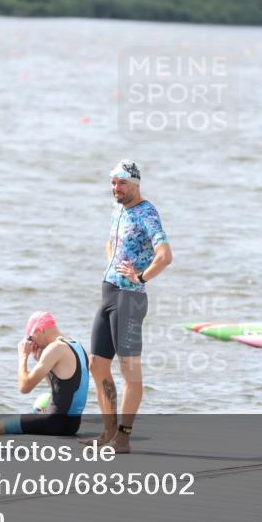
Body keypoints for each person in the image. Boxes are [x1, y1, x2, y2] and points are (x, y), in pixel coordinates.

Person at [85, 160, 171, 453]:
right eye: (113, 183)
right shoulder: (119, 210)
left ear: (135, 184)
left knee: (129, 370)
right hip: (108, 292)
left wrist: (141, 275)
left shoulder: (147, 213)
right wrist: (114, 263)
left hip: (130, 297)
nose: (116, 188)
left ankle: (123, 435)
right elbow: (111, 243)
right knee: (97, 365)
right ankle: (108, 429)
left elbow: (165, 255)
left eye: (122, 183)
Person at [0, 311, 89, 439]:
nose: (32, 342)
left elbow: (24, 387)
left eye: (31, 337)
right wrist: (39, 357)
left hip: (56, 423)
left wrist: (23, 357)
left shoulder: (55, 348)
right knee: (43, 399)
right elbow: (60, 388)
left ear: (41, 330)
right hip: (73, 425)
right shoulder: (74, 343)